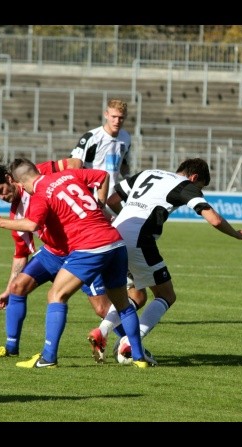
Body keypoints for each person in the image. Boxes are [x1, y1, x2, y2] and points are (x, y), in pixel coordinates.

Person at [0, 158, 152, 368]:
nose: (2, 197)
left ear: (14, 180)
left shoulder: (40, 190)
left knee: (68, 299)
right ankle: (139, 358)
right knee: (121, 304)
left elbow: (34, 223)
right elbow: (100, 176)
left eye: (2, 191)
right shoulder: (64, 179)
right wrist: (98, 203)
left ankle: (50, 358)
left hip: (85, 248)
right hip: (106, 243)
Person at [91, 157, 242, 363]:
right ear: (194, 177)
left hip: (115, 236)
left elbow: (113, 200)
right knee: (166, 294)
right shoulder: (185, 185)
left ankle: (102, 331)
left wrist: (130, 220)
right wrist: (237, 234)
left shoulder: (148, 173)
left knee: (137, 296)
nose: (198, 190)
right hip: (140, 240)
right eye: (200, 187)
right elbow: (215, 219)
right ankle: (131, 343)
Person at [68, 98, 149, 361]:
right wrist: (89, 200)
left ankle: (120, 283)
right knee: (103, 252)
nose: (117, 122)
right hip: (93, 204)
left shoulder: (125, 137)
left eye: (121, 118)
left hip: (115, 200)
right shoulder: (90, 138)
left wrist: (125, 182)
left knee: (119, 244)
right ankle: (126, 342)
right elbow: (74, 168)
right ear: (105, 115)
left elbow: (122, 165)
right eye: (113, 117)